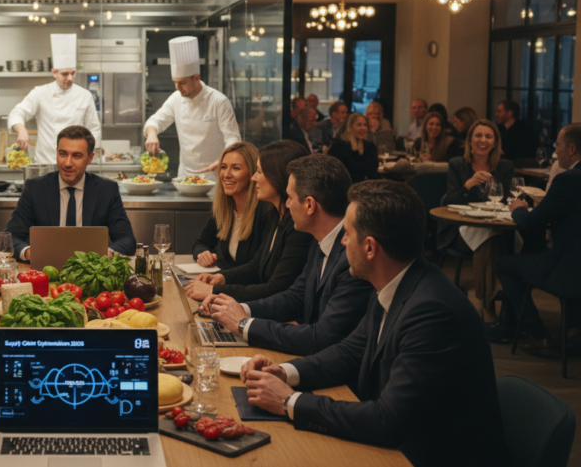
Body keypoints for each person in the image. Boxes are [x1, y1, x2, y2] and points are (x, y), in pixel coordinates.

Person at [240, 180, 509, 467]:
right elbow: (350, 351)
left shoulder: (432, 311)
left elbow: (387, 420)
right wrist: (283, 372)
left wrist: (289, 402)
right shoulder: (398, 281)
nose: (342, 242)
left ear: (370, 247)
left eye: (347, 234)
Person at [202, 155, 374, 356]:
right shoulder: (322, 240)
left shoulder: (351, 256)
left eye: (290, 197)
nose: (288, 204)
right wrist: (238, 309)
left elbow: (322, 337)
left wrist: (244, 324)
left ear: (310, 205)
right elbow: (295, 297)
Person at [184, 141, 313, 302]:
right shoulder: (276, 214)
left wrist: (215, 290)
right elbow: (256, 266)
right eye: (223, 167)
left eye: (259, 171)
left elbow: (276, 288)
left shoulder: (295, 225)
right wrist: (220, 277)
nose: (254, 178)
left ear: (278, 176)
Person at [493, 124, 581, 352]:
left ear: (571, 149)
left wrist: (517, 208)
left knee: (504, 264)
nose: (556, 151)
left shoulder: (569, 180)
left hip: (566, 269)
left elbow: (531, 222)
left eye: (558, 146)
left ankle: (538, 334)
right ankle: (574, 332)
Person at [5, 126, 136, 262]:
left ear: (90, 158)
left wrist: (103, 254)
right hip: (45, 270)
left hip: (90, 271)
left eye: (76, 156)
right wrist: (31, 253)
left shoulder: (107, 190)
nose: (67, 163)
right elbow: (10, 238)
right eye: (63, 154)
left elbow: (127, 240)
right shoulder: (35, 188)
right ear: (56, 153)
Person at [440, 119, 514, 323]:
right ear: (470, 141)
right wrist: (468, 185)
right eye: (478, 136)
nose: (483, 140)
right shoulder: (458, 164)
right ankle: (490, 303)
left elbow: (507, 200)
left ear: (495, 142)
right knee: (489, 239)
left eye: (488, 136)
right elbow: (449, 201)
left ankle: (491, 300)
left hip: (497, 224)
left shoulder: (505, 166)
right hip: (463, 227)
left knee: (499, 238)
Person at [144, 36, 241, 179]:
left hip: (214, 175)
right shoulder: (177, 98)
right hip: (185, 175)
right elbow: (154, 121)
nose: (178, 88)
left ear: (196, 78)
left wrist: (225, 161)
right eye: (175, 82)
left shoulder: (219, 101)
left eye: (182, 82)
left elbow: (233, 139)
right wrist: (152, 135)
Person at [8, 33, 101, 165]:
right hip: (47, 162)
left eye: (73, 73)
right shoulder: (40, 93)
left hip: (76, 164)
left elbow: (93, 129)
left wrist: (89, 155)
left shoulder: (85, 95)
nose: (69, 78)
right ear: (54, 72)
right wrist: (22, 130)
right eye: (64, 74)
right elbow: (17, 113)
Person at [191, 142, 278, 270]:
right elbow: (201, 243)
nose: (226, 174)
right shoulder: (225, 208)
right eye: (224, 167)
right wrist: (202, 253)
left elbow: (257, 268)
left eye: (236, 168)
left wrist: (219, 281)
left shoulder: (266, 212)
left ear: (253, 174)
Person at [327, 113, 380, 183]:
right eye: (359, 125)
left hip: (367, 186)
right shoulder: (339, 146)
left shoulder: (370, 147)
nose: (363, 128)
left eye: (365, 125)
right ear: (350, 127)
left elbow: (374, 171)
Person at [495, 99, 538, 163]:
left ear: (510, 113)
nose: (496, 114)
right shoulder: (498, 129)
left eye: (499, 111)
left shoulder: (524, 132)